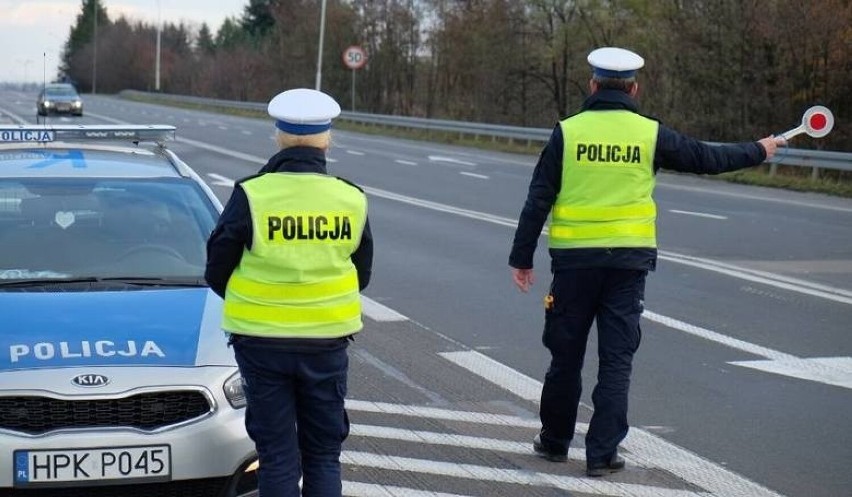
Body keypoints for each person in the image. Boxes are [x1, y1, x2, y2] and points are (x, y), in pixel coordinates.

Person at [508, 47, 784, 477]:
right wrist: (759, 149)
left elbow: (537, 197)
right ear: (634, 88)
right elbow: (706, 158)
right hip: (628, 266)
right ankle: (602, 454)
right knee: (617, 360)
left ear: (593, 85)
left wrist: (521, 256)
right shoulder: (649, 134)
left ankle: (556, 442)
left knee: (566, 357)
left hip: (574, 265)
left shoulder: (568, 131)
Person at [205, 88, 373, 497]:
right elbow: (361, 274)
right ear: (327, 138)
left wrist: (257, 301)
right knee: (322, 456)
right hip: (325, 346)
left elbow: (216, 268)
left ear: (278, 136)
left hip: (261, 345)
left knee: (278, 457)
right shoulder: (351, 198)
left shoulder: (252, 194)